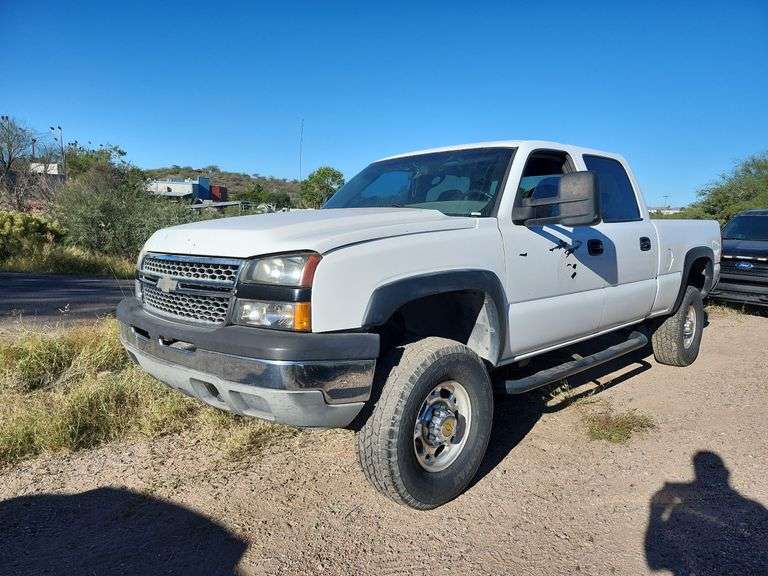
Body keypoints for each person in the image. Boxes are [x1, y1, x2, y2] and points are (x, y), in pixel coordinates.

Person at [645, 451, 768, 575]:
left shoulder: (681, 513)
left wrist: (655, 513)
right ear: (726, 474)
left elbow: (655, 562)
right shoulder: (755, 510)